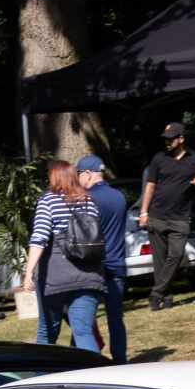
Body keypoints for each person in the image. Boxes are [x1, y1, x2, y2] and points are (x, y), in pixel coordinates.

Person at [20, 159, 106, 354]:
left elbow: (39, 238)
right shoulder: (89, 201)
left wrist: (29, 271)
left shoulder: (48, 200)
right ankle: (96, 379)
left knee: (47, 332)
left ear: (54, 178)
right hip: (89, 275)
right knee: (84, 332)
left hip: (55, 277)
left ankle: (41, 380)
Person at [138, 122, 195, 310]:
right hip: (156, 216)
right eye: (165, 138)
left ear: (181, 139)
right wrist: (144, 212)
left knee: (176, 255)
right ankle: (165, 297)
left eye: (171, 138)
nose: (167, 142)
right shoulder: (159, 159)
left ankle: (156, 292)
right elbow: (150, 186)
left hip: (180, 218)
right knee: (160, 261)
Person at [74, 155, 131, 363]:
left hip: (94, 267)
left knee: (83, 320)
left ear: (88, 174)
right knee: (115, 317)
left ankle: (87, 360)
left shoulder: (87, 200)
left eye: (78, 174)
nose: (77, 178)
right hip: (117, 265)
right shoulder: (119, 197)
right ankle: (120, 361)